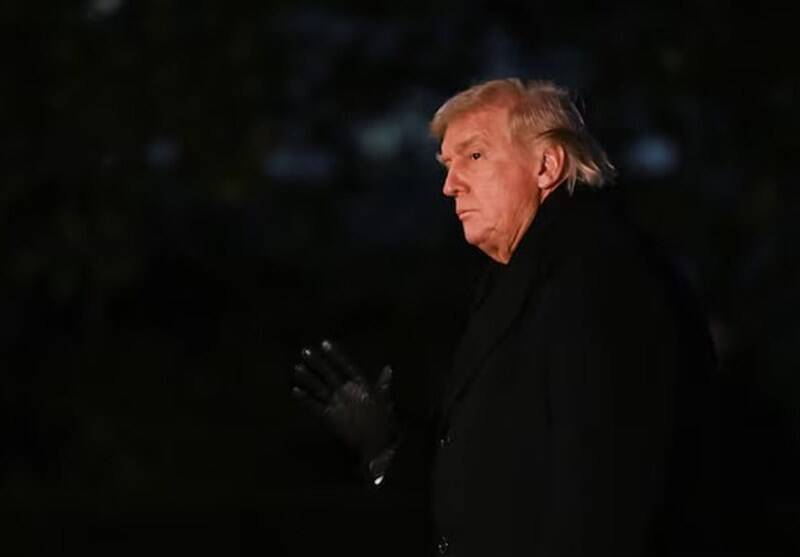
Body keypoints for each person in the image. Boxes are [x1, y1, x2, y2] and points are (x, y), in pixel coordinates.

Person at [291, 78, 719, 556]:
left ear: (547, 165)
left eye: (474, 156)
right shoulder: (517, 280)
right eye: (447, 165)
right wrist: (387, 451)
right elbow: (495, 486)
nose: (450, 185)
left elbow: (608, 486)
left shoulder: (600, 275)